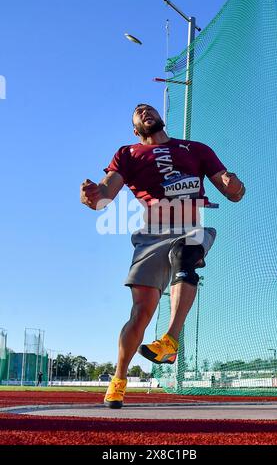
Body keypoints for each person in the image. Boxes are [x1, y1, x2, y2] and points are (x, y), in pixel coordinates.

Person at [80, 104, 245, 409]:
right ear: (135, 129)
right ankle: (119, 378)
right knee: (141, 313)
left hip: (188, 223)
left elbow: (233, 191)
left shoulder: (196, 149)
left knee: (188, 257)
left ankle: (169, 341)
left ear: (159, 117)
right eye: (138, 112)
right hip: (152, 232)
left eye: (148, 108)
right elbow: (105, 195)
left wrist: (233, 185)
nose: (144, 110)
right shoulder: (127, 154)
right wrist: (93, 196)